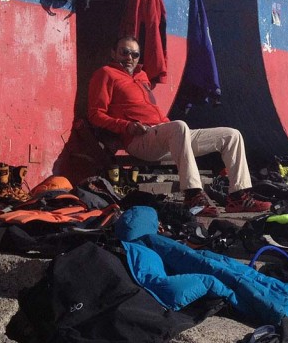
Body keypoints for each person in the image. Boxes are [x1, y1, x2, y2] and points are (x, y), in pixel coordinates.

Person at [88, 35, 270, 216]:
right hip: (139, 139)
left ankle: (238, 197)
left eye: (135, 54)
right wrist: (126, 126)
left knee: (231, 135)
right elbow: (95, 114)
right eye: (125, 52)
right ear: (114, 53)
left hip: (166, 134)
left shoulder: (142, 76)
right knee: (179, 126)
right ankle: (193, 196)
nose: (130, 58)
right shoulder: (105, 74)